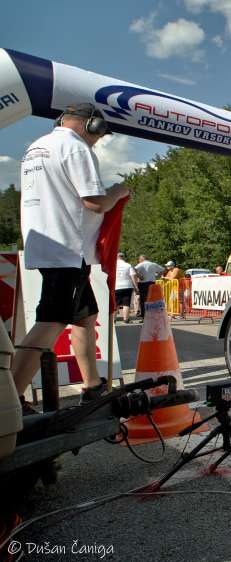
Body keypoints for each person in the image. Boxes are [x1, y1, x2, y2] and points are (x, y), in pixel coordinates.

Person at [11, 103, 131, 412]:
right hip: (67, 249)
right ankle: (9, 398)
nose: (99, 141)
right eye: (100, 134)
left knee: (85, 317)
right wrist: (117, 192)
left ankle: (92, 387)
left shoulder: (36, 147)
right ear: (91, 125)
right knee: (50, 322)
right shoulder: (76, 148)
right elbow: (95, 202)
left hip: (51, 245)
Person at [134, 254, 164, 318]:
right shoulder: (153, 264)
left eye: (139, 259)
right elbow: (162, 269)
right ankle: (152, 314)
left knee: (143, 300)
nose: (139, 261)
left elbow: (134, 269)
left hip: (143, 284)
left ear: (142, 259)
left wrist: (139, 276)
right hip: (152, 283)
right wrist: (157, 276)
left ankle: (144, 315)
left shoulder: (141, 264)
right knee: (152, 299)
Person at [114, 252, 139, 324]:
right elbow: (133, 276)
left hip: (116, 286)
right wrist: (136, 287)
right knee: (126, 303)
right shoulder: (128, 265)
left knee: (116, 304)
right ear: (124, 257)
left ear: (117, 257)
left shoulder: (113, 264)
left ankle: (113, 320)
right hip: (127, 286)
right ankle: (126, 320)